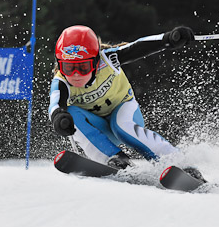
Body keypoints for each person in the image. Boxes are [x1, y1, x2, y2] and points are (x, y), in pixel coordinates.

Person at [48, 25, 202, 179]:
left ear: (95, 62)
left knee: (120, 125)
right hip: (100, 129)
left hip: (124, 112)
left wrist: (168, 39)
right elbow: (55, 105)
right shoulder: (61, 82)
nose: (75, 74)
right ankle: (115, 160)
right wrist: (59, 118)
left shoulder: (107, 59)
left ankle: (176, 161)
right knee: (70, 113)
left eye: (83, 67)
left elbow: (138, 47)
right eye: (68, 68)